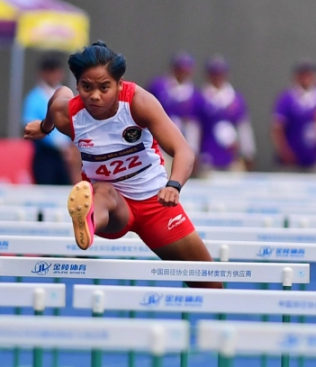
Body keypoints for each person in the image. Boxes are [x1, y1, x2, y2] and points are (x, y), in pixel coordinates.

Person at [22, 42, 220, 289]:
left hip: (155, 203)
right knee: (103, 190)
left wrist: (174, 185)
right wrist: (45, 126)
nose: (94, 96)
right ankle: (89, 221)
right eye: (86, 87)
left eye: (104, 87)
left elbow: (183, 151)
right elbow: (58, 98)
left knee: (210, 282)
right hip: (113, 206)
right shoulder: (70, 115)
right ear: (78, 85)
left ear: (119, 84)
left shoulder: (139, 103)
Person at [22, 55, 78, 185]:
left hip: (65, 157)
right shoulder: (34, 98)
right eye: (52, 71)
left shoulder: (67, 95)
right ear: (44, 73)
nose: (56, 75)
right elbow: (30, 126)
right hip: (45, 155)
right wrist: (58, 143)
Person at [271, 61, 316, 172]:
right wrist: (284, 151)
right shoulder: (287, 98)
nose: (306, 78)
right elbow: (277, 128)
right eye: (303, 74)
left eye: (309, 74)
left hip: (315, 157)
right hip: (292, 158)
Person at [197, 56, 255, 173]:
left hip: (232, 158)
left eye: (221, 73)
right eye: (214, 73)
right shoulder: (200, 98)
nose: (218, 77)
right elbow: (195, 128)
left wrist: (248, 153)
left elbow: (243, 128)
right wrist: (193, 153)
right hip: (207, 156)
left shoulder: (236, 98)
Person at [146, 51, 202, 167]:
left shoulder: (194, 94)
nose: (183, 73)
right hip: (158, 141)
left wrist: (194, 150)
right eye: (180, 69)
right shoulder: (158, 86)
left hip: (182, 142)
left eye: (186, 70)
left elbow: (194, 125)